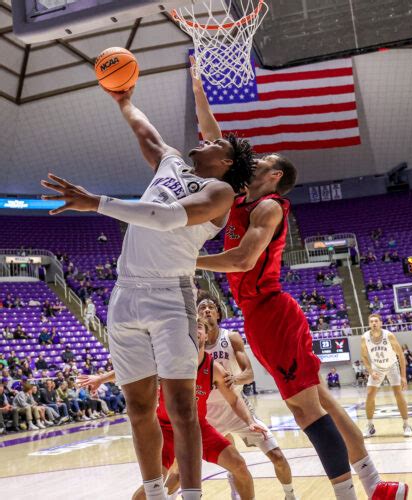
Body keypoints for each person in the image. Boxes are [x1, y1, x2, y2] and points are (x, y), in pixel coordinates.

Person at [192, 61, 408, 500]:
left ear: (275, 177)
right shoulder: (238, 194)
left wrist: (188, 260)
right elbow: (213, 136)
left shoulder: (269, 206)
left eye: (265, 162)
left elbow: (242, 258)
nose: (255, 161)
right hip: (260, 314)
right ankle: (375, 484)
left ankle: (349, 493)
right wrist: (197, 85)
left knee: (306, 410)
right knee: (320, 404)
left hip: (271, 310)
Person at [41, 68, 254, 500]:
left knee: (180, 408)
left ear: (226, 164)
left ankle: (192, 495)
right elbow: (147, 133)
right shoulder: (173, 161)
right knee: (138, 408)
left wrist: (95, 202)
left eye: (216, 143)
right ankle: (156, 494)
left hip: (170, 297)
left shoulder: (219, 195)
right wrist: (123, 101)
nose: (207, 138)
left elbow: (165, 218)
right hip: (125, 295)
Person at [79, 318, 267, 500]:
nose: (194, 330)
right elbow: (135, 370)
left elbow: (234, 400)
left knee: (240, 466)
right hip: (165, 430)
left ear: (206, 335)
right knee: (151, 489)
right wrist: (101, 379)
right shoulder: (167, 360)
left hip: (197, 428)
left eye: (199, 326)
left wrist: (251, 421)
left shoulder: (214, 368)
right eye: (189, 327)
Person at [197, 292, 297, 500]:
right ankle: (234, 488)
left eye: (210, 307)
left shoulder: (231, 337)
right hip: (207, 416)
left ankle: (290, 495)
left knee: (277, 456)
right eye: (201, 308)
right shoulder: (193, 344)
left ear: (218, 313)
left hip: (237, 408)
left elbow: (249, 374)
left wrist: (235, 379)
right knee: (227, 464)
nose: (206, 310)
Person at [361, 314, 412, 438]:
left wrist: (404, 376)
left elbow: (401, 355)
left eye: (376, 321)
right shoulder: (364, 337)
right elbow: (364, 356)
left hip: (392, 366)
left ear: (380, 323)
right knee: (369, 395)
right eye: (371, 321)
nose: (374, 323)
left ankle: (407, 425)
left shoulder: (389, 335)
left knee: (398, 394)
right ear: (369, 324)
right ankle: (370, 426)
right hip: (377, 368)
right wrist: (370, 370)